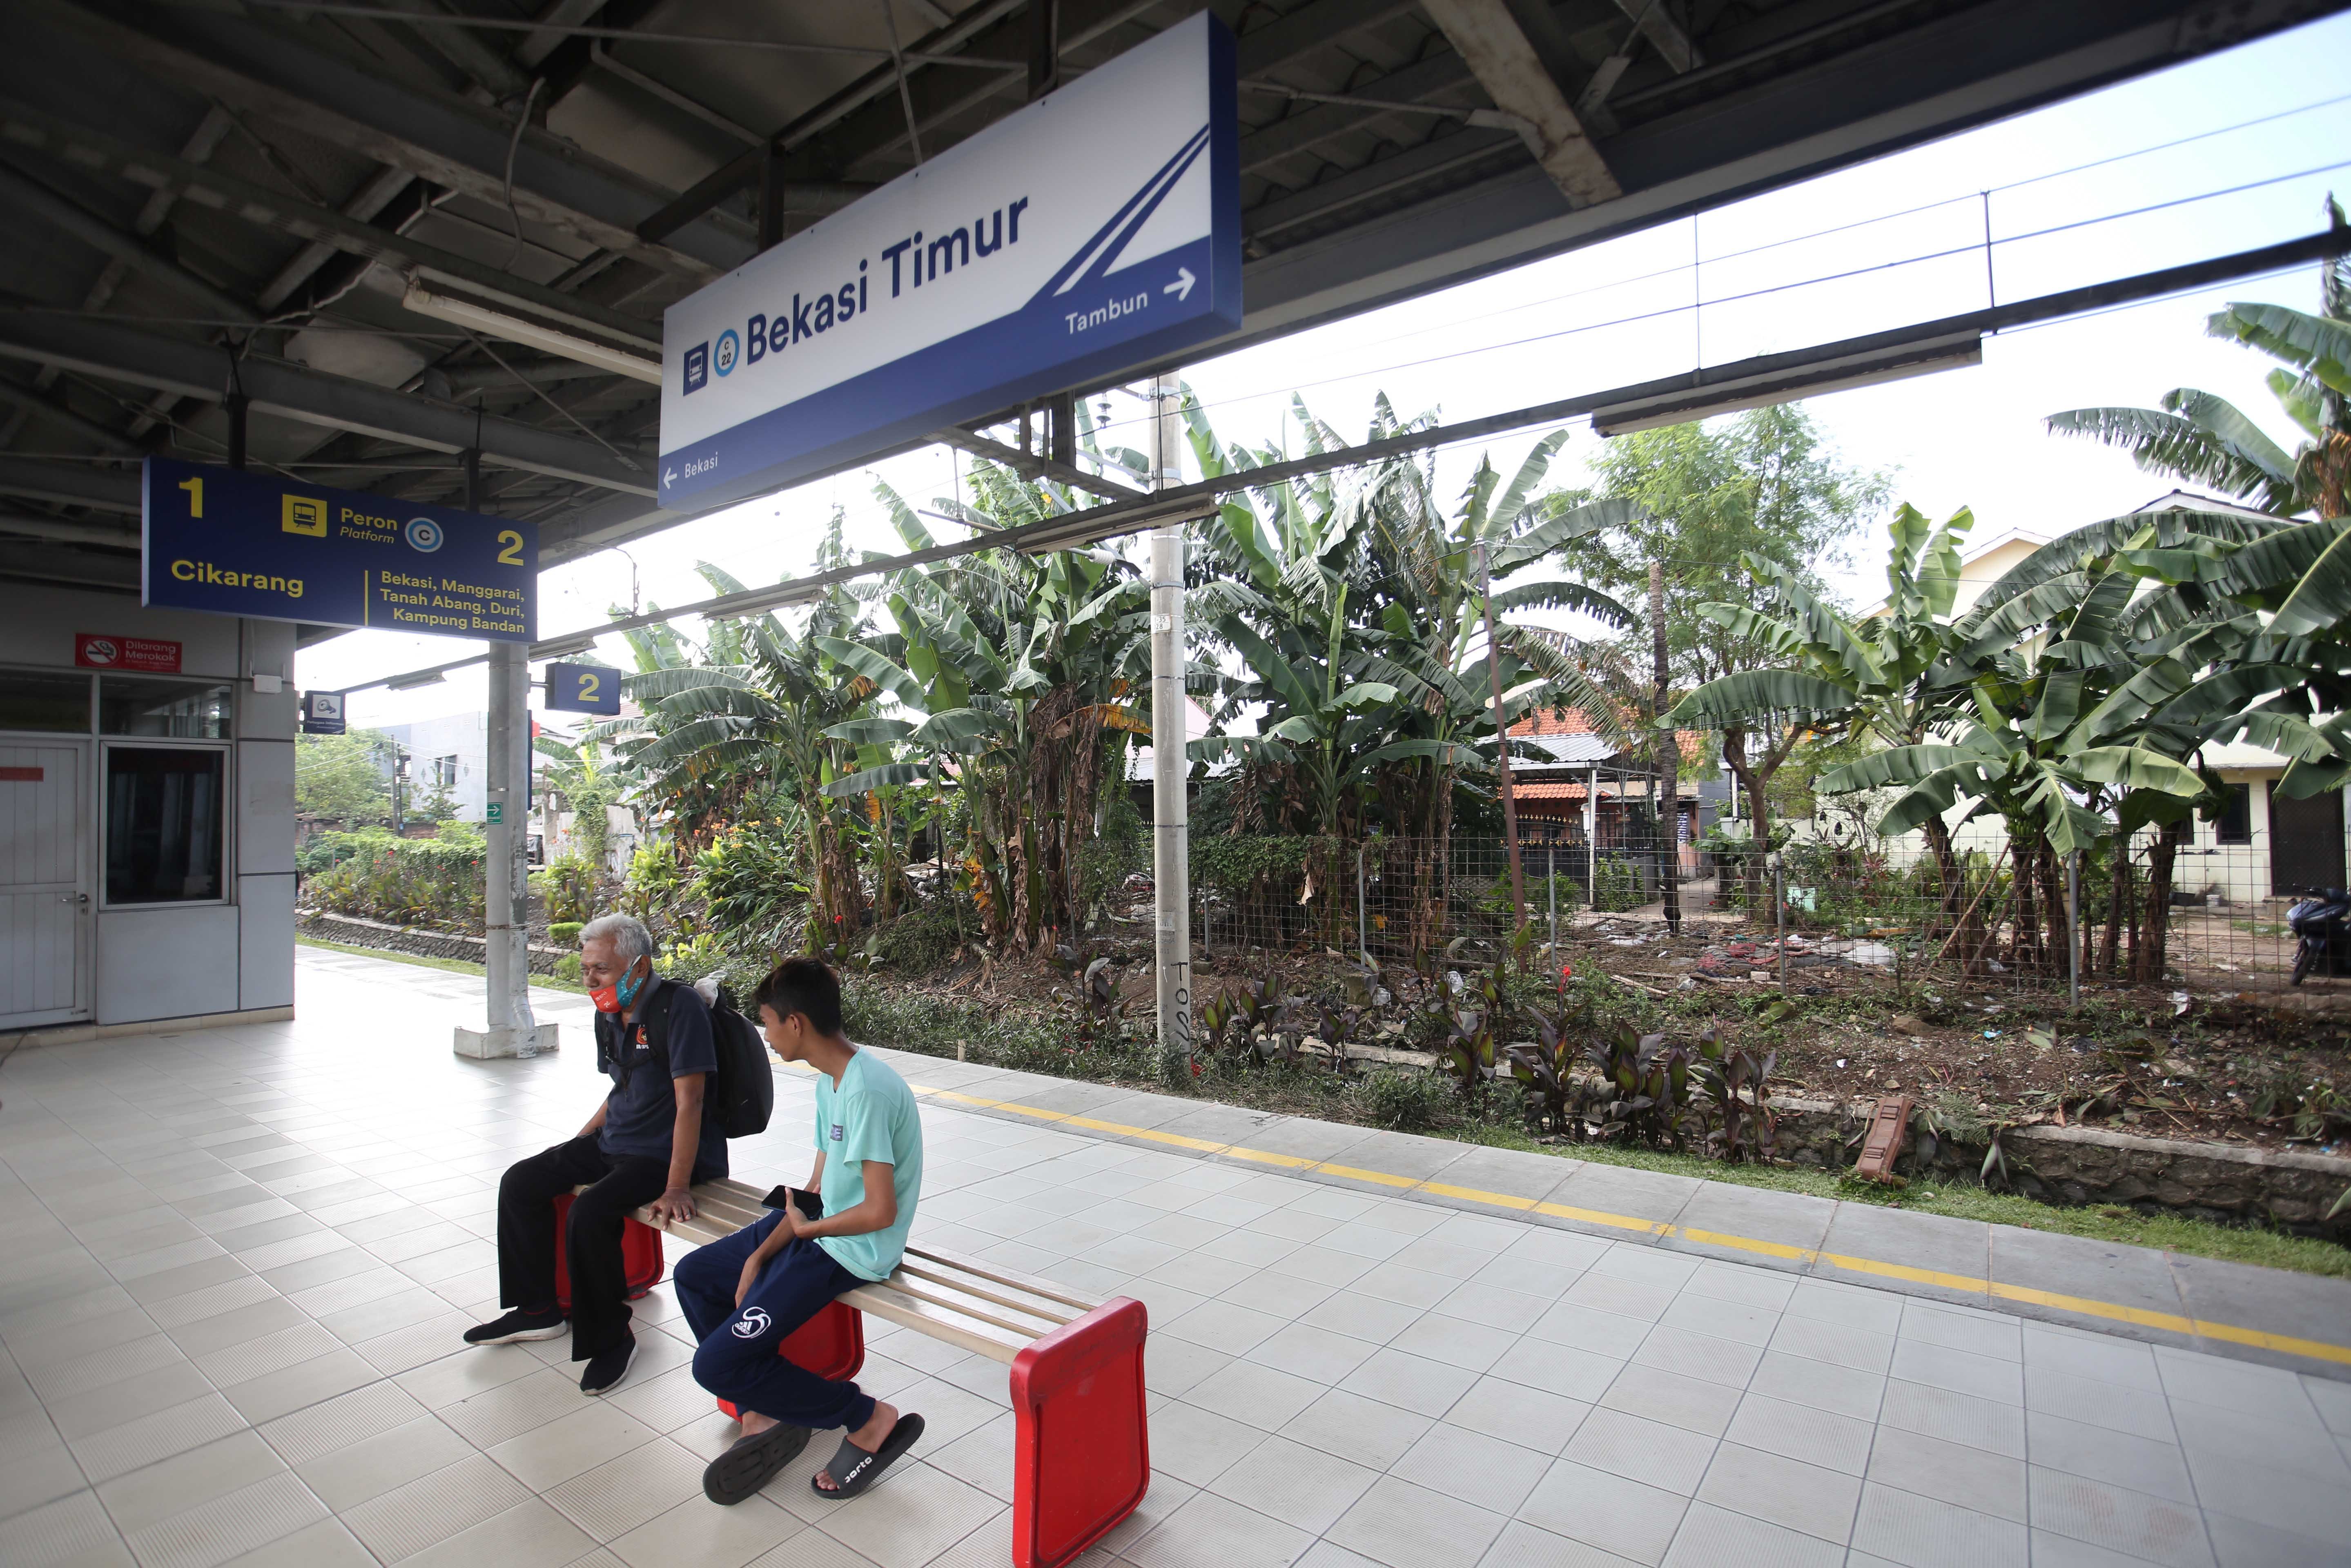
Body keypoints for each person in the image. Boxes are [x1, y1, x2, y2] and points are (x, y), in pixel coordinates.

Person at [677, 957, 927, 1506]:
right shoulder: (831, 1083)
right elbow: (815, 1187)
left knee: (714, 1364)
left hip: (851, 1249)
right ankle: (762, 1405)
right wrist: (762, 1251)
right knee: (697, 1275)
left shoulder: (867, 1090)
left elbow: (880, 1211)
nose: (766, 1037)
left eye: (768, 1023)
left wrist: (805, 1233)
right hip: (821, 1230)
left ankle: (867, 1418)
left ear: (796, 1024)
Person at [463, 913, 725, 1396]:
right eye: (586, 969)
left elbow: (691, 1101)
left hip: (662, 1157)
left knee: (589, 1213)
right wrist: (580, 1142)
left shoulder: (678, 1008)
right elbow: (621, 1087)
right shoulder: (609, 1012)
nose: (590, 980)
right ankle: (539, 1309)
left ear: (639, 966)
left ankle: (611, 1339)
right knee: (521, 1181)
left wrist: (676, 1186)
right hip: (615, 1143)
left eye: (601, 969)